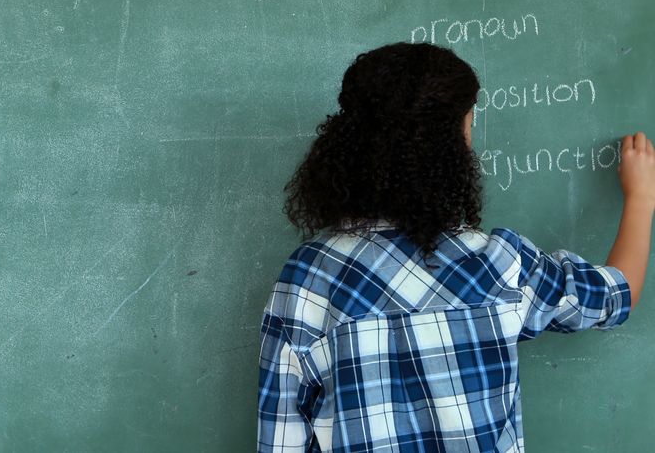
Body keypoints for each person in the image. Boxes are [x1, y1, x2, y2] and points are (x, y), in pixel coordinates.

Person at [257, 43, 651, 452]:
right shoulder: (499, 263)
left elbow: (281, 436)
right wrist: (642, 199)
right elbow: (616, 294)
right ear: (454, 147)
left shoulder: (310, 276)